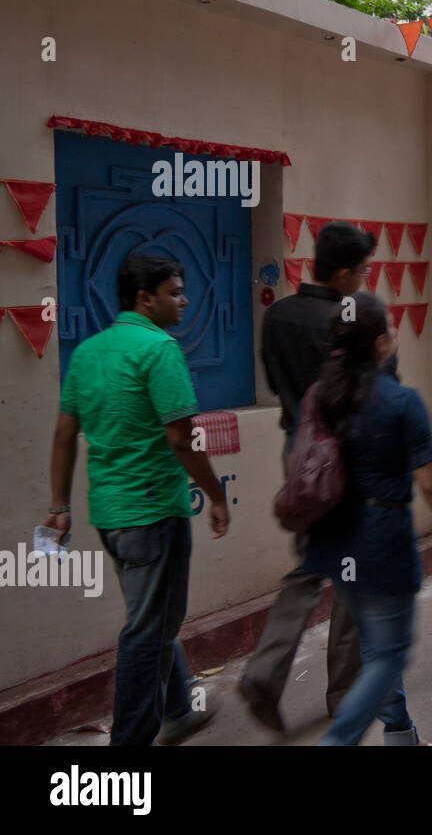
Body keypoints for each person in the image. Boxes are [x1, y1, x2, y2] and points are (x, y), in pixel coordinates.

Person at [46, 255, 230, 746]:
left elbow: (65, 433)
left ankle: (177, 710)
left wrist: (59, 505)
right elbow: (181, 436)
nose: (184, 301)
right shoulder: (158, 349)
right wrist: (216, 494)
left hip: (109, 515)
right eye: (174, 292)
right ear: (144, 298)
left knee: (154, 617)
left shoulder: (88, 352)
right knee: (147, 632)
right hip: (152, 515)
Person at [299, 292, 432, 743]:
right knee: (388, 654)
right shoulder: (401, 402)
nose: (396, 336)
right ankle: (337, 741)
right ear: (380, 343)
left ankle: (400, 733)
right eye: (392, 330)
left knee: (376, 644)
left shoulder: (324, 396)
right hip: (382, 540)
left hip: (337, 538)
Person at [240, 222, 374, 732]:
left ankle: (266, 668)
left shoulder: (278, 316)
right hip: (344, 462)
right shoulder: (346, 322)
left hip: (296, 457)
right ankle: (344, 694)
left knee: (309, 566)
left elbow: (276, 382)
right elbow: (362, 399)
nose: (364, 280)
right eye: (361, 270)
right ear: (342, 272)